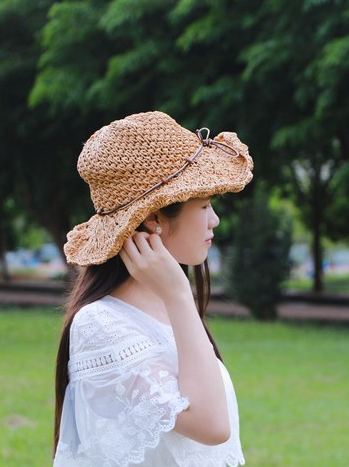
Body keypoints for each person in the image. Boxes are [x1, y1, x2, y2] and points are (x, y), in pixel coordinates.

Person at [52, 111, 253, 467]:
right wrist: (178, 294)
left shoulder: (163, 310)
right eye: (205, 205)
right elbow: (212, 426)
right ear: (154, 219)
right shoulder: (101, 326)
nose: (215, 220)